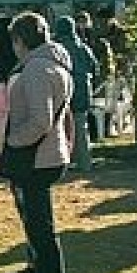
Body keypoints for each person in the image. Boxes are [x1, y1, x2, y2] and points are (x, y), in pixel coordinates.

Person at [0, 12, 75, 273]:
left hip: (38, 159)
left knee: (43, 235)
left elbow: (40, 120)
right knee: (39, 233)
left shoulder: (37, 68)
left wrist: (11, 140)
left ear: (20, 40)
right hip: (48, 155)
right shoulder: (55, 62)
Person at [53, 15, 98, 172]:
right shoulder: (82, 46)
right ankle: (85, 163)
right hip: (83, 90)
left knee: (63, 129)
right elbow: (94, 67)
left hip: (64, 90)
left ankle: (66, 162)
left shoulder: (56, 48)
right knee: (81, 127)